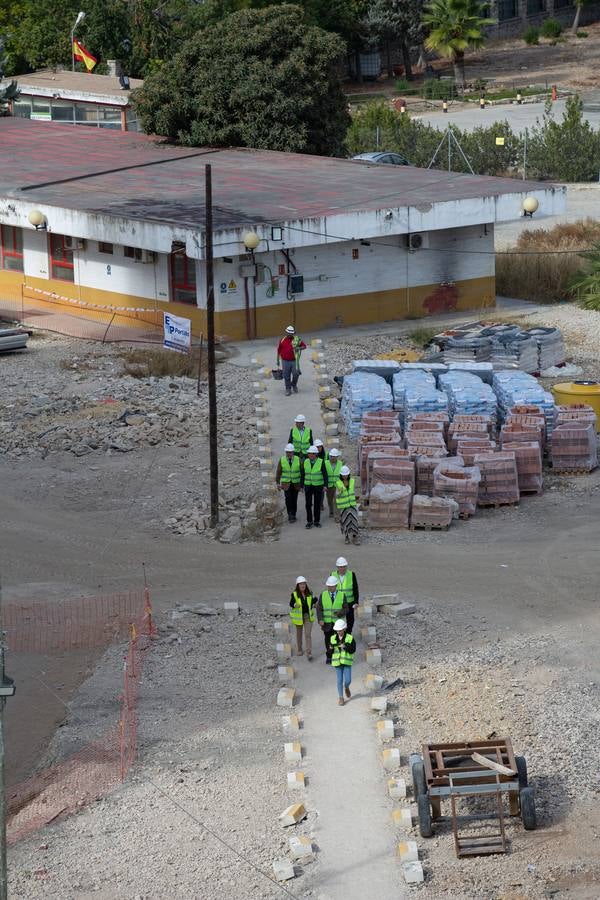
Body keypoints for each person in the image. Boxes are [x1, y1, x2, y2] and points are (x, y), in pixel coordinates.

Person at [316, 576, 348, 664]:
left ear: (336, 586)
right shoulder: (323, 595)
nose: (330, 588)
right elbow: (319, 609)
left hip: (338, 624)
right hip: (327, 624)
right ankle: (329, 656)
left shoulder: (342, 595)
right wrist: (320, 619)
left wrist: (339, 613)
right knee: (328, 640)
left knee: (339, 640)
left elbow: (346, 609)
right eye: (329, 586)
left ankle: (338, 656)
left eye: (332, 586)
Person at [331, 555, 359, 635]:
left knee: (350, 619)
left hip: (349, 602)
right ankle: (339, 634)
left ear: (346, 566)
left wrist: (356, 601)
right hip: (338, 602)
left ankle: (348, 633)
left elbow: (355, 588)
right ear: (337, 567)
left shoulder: (351, 574)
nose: (342, 568)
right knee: (339, 619)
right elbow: (330, 589)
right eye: (340, 567)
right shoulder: (333, 575)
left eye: (344, 566)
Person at [330, 619, 356, 706]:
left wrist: (345, 647)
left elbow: (353, 650)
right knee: (339, 680)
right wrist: (330, 649)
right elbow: (329, 651)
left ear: (344, 629)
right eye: (337, 630)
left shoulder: (350, 638)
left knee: (348, 680)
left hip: (347, 662)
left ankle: (346, 687)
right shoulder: (332, 638)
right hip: (337, 663)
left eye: (340, 630)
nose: (338, 632)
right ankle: (341, 698)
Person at [289, 576, 315, 660]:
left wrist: (314, 603)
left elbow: (311, 603)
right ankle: (299, 649)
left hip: (308, 616)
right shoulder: (294, 594)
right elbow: (291, 603)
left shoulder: (309, 593)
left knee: (308, 634)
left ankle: (309, 653)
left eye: (304, 584)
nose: (302, 585)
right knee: (299, 634)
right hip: (299, 618)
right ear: (298, 585)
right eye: (301, 584)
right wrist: (294, 605)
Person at [276, 325, 307, 397]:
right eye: (289, 333)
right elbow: (279, 350)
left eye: (292, 333)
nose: (290, 334)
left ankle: (294, 384)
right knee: (286, 375)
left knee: (296, 373)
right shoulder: (282, 340)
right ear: (286, 332)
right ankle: (288, 389)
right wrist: (277, 360)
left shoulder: (297, 339)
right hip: (285, 361)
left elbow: (304, 346)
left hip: (294, 361)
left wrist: (299, 348)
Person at [275, 443, 302, 523]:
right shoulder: (282, 459)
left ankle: (294, 514)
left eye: (290, 452)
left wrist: (302, 484)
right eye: (287, 452)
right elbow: (278, 472)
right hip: (286, 484)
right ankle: (290, 514)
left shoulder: (298, 459)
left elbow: (302, 471)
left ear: (293, 452)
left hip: (296, 483)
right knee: (288, 499)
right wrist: (277, 483)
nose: (289, 454)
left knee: (294, 499)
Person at [336, 466, 361, 546]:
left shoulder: (352, 481)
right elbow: (337, 495)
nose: (345, 476)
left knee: (354, 521)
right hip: (343, 506)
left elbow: (354, 492)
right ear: (341, 475)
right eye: (343, 475)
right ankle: (346, 537)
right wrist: (339, 492)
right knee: (345, 522)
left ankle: (355, 536)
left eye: (346, 474)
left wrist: (358, 501)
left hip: (352, 505)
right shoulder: (338, 483)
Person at [303, 445, 324, 529]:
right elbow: (303, 473)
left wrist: (325, 485)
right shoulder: (305, 461)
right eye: (309, 454)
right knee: (308, 504)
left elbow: (324, 474)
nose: (310, 455)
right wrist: (301, 485)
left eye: (311, 454)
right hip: (308, 486)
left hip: (318, 486)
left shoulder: (321, 462)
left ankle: (316, 521)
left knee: (317, 504)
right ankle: (309, 521)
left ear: (315, 454)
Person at [324, 448, 343, 519]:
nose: (332, 458)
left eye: (334, 456)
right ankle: (331, 510)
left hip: (337, 486)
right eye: (331, 456)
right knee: (329, 500)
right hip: (329, 486)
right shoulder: (326, 463)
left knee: (336, 501)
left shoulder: (340, 463)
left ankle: (337, 516)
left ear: (337, 457)